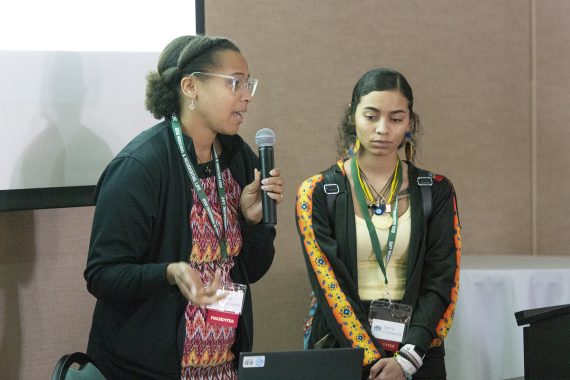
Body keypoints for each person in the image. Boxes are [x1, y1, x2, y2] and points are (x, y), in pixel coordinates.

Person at [84, 35, 284, 380]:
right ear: (191, 86)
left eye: (248, 83)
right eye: (235, 83)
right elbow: (102, 276)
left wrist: (252, 223)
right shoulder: (141, 166)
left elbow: (254, 269)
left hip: (223, 367)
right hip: (146, 370)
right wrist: (169, 273)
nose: (247, 96)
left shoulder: (238, 158)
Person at [296, 68, 461, 379]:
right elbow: (329, 285)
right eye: (371, 117)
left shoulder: (436, 190)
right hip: (340, 349)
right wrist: (372, 359)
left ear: (409, 123)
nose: (382, 129)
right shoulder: (317, 192)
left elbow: (442, 280)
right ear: (352, 117)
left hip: (416, 350)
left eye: (396, 119)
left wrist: (407, 359)